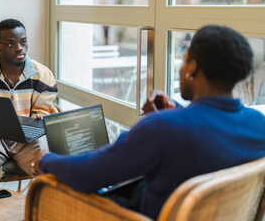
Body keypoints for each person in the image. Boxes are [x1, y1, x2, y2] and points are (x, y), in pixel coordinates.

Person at [34, 25, 265, 219]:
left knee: (47, 188)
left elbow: (85, 175)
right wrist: (177, 112)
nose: (183, 67)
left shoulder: (162, 127)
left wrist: (46, 160)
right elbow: (212, 131)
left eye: (185, 61)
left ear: (193, 68)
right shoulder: (258, 124)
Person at [0, 19, 58, 188]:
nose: (19, 47)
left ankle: (43, 209)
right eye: (10, 44)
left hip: (29, 139)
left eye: (23, 41)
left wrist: (40, 117)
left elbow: (45, 110)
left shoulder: (43, 75)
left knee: (50, 163)